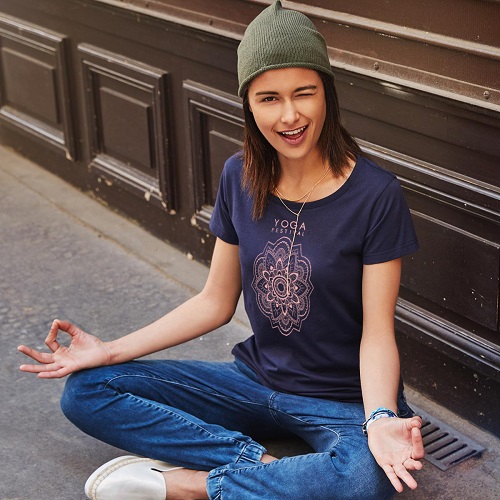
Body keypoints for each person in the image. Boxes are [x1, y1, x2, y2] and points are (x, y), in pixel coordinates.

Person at [18, 2, 424, 499]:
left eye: (305, 93)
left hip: (343, 399)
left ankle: (187, 485)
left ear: (327, 94)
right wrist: (109, 351)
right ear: (249, 104)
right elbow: (215, 301)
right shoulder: (240, 176)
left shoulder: (375, 194)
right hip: (253, 380)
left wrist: (380, 417)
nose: (290, 115)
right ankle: (265, 471)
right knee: (86, 390)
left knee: (370, 479)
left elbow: (378, 333)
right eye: (269, 98)